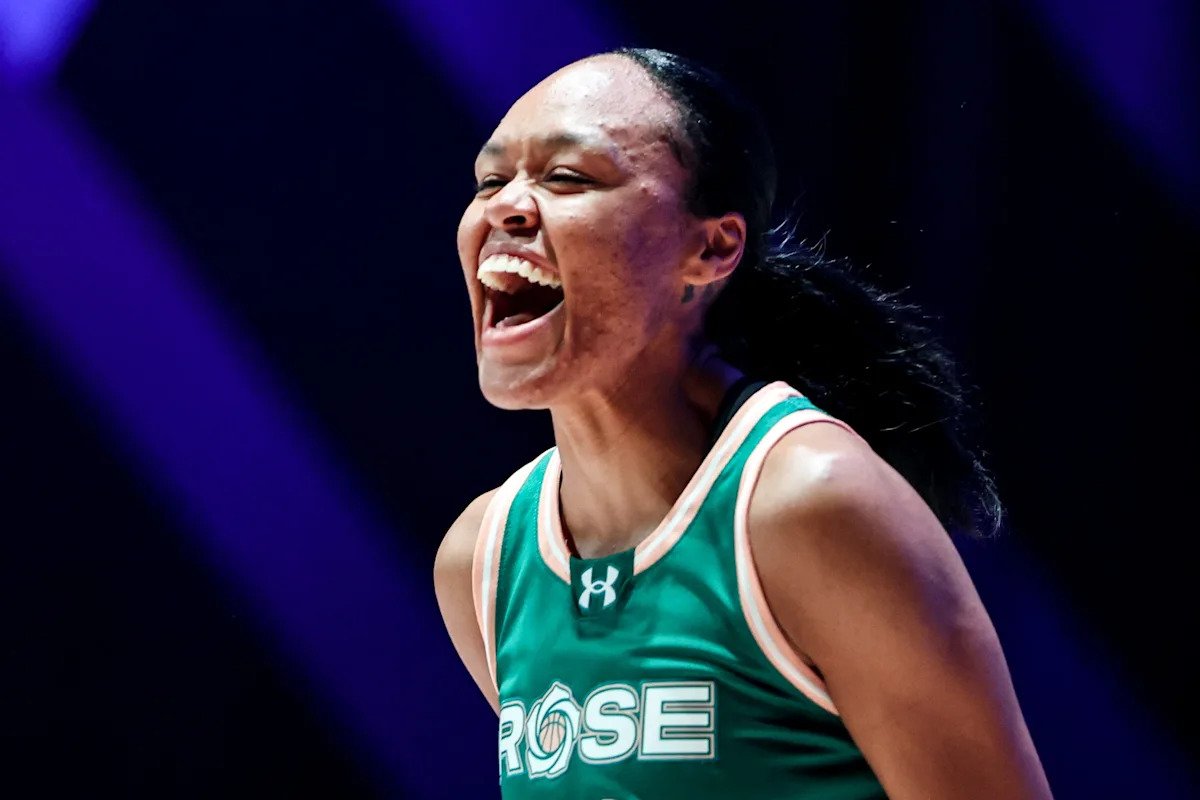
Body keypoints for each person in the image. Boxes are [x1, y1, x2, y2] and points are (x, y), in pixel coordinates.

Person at [434, 47, 1052, 799]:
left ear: (711, 248)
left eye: (568, 177)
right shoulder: (481, 564)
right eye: (490, 181)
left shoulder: (812, 503)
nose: (506, 207)